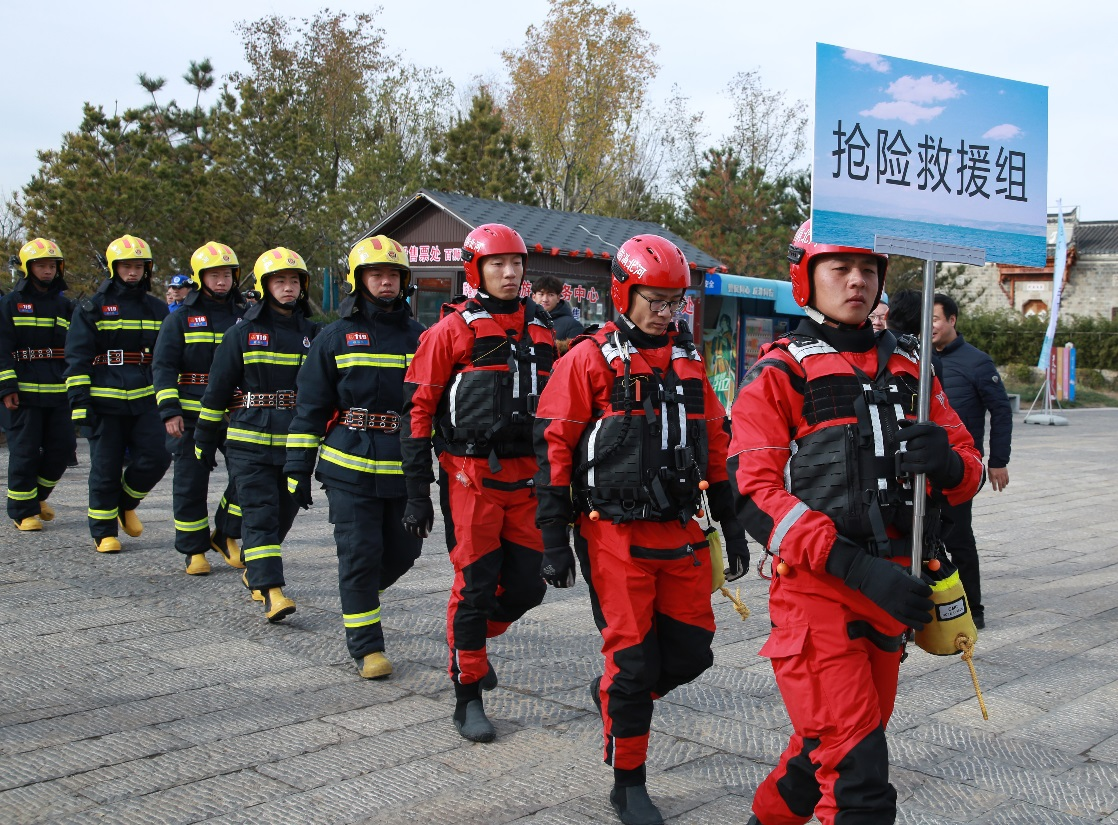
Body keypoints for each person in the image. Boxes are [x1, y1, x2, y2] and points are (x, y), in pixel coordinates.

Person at [728, 221, 983, 825]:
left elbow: (969, 468)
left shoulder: (913, 370)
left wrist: (946, 462)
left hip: (894, 589)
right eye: (839, 267)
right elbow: (752, 494)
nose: (856, 280)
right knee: (858, 781)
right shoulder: (779, 372)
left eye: (868, 269)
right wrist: (853, 567)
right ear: (805, 279)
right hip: (819, 594)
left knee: (823, 749)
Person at [534, 235, 749, 825]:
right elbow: (553, 446)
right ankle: (628, 781)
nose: (666, 311)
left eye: (674, 301)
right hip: (613, 536)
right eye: (654, 299)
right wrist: (553, 538)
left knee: (691, 653)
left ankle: (617, 698)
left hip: (680, 532)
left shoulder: (689, 362)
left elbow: (715, 446)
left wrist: (732, 527)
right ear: (624, 294)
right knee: (632, 663)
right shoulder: (586, 359)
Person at [401, 223, 556, 743]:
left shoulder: (541, 328)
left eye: (516, 264)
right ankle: (467, 692)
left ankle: (468, 645)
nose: (510, 273)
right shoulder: (451, 332)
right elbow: (417, 412)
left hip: (527, 480)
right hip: (471, 479)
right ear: (476, 270)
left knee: (530, 587)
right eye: (498, 264)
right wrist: (416, 491)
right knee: (474, 588)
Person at [285, 235, 424, 678]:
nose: (385, 282)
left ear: (404, 282)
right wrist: (297, 468)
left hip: (403, 467)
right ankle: (367, 648)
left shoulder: (422, 338)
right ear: (358, 281)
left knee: (405, 550)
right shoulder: (335, 337)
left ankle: (359, 589)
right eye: (376, 274)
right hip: (349, 466)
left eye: (393, 275)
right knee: (359, 553)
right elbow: (310, 409)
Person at [194, 247, 319, 622]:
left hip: (295, 444)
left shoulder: (315, 334)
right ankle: (271, 591)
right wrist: (203, 435)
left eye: (293, 281)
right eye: (279, 281)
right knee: (261, 515)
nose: (287, 288)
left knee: (284, 512)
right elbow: (217, 389)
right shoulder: (242, 333)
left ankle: (233, 539)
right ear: (264, 286)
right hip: (248, 441)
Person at [65, 235, 172, 553]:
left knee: (158, 456)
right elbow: (77, 358)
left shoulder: (158, 309)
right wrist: (80, 403)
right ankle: (103, 531)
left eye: (139, 266)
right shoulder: (91, 308)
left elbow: (169, 356)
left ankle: (125, 502)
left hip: (146, 397)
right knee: (105, 466)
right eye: (126, 266)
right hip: (104, 399)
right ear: (113, 268)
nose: (133, 272)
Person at [153, 242, 246, 576]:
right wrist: (169, 410)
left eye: (227, 275)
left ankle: (225, 533)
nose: (221, 281)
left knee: (247, 476)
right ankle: (193, 548)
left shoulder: (246, 315)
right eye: (214, 275)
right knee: (191, 483)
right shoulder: (180, 319)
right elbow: (162, 367)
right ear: (200, 277)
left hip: (236, 413)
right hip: (191, 415)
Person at [932, 292, 1012, 630]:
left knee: (958, 537)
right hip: (921, 465)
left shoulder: (977, 362)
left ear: (952, 320)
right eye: (926, 319)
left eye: (935, 318)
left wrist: (998, 460)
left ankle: (973, 609)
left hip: (960, 467)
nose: (930, 326)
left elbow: (1001, 411)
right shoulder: (916, 358)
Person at [1, 239, 76, 531]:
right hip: (23, 392)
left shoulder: (65, 305)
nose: (48, 271)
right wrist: (6, 388)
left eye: (52, 265)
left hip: (58, 391)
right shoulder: (9, 304)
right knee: (25, 451)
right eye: (41, 265)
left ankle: (36, 496)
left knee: (64, 448)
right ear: (27, 268)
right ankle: (23, 512)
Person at [531, 273, 584, 348]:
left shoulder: (572, 325)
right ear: (533, 297)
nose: (545, 299)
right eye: (541, 294)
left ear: (558, 298)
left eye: (550, 295)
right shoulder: (526, 320)